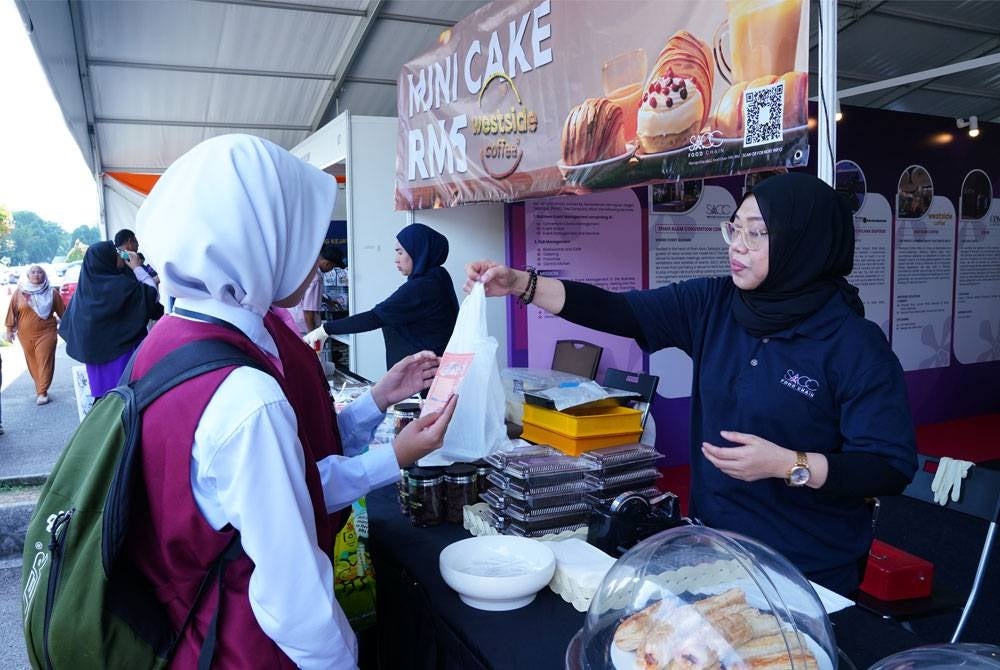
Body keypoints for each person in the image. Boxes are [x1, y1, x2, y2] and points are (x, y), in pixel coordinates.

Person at [467, 172, 917, 595]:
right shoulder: (715, 303)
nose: (737, 246)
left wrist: (789, 464)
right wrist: (521, 283)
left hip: (804, 565)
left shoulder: (853, 344)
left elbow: (889, 466)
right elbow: (620, 311)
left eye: (757, 234)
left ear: (804, 244)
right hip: (713, 546)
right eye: (734, 228)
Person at [130, 133, 458, 669]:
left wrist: (374, 401)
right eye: (300, 235)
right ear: (258, 240)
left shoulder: (170, 338)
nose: (315, 257)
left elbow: (282, 480)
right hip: (244, 646)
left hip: (188, 627)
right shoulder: (245, 396)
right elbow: (296, 601)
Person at [304, 223, 459, 370]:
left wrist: (325, 330)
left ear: (418, 251)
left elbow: (375, 317)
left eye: (400, 252)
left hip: (426, 372)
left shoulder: (422, 286)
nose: (396, 259)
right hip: (437, 366)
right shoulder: (439, 276)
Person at [58, 241, 164, 399]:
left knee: (106, 401)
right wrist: (137, 268)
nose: (121, 256)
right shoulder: (121, 286)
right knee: (126, 399)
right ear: (107, 259)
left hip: (96, 364)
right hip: (124, 357)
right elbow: (151, 295)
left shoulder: (82, 294)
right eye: (116, 253)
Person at [5, 265, 66, 404]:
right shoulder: (20, 292)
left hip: (47, 333)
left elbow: (64, 313)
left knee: (44, 360)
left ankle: (42, 392)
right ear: (28, 275)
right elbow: (12, 311)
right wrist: (9, 330)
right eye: (33, 272)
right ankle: (40, 387)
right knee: (32, 362)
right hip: (25, 335)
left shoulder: (51, 292)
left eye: (40, 272)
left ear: (44, 275)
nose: (36, 275)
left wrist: (72, 328)